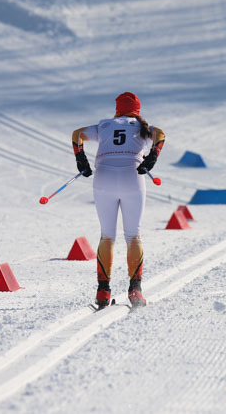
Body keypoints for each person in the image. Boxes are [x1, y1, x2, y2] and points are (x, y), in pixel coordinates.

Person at [71, 92, 165, 308]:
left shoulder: (103, 125)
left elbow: (77, 134)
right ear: (137, 109)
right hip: (133, 177)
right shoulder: (142, 126)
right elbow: (160, 134)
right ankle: (135, 290)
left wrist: (81, 159)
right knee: (133, 235)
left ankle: (103, 291)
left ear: (117, 108)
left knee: (107, 236)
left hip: (103, 178)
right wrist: (152, 157)